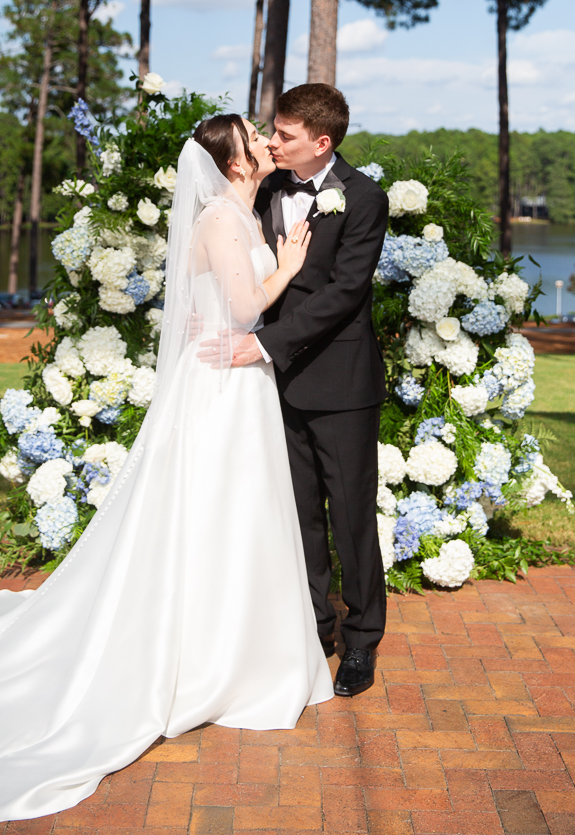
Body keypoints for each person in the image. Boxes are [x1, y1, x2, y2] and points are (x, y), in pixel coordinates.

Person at [0, 116, 333, 825]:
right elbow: (240, 308)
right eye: (252, 134)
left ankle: (242, 648)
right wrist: (289, 268)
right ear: (234, 161)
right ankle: (212, 658)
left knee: (240, 517)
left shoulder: (242, 210)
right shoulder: (217, 220)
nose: (266, 139)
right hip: (222, 387)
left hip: (238, 382)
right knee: (219, 514)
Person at [200, 85, 389, 698]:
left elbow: (345, 293)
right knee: (300, 514)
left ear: (321, 142)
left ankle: (362, 642)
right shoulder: (269, 187)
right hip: (275, 385)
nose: (272, 141)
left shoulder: (363, 199)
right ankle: (315, 626)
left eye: (283, 134)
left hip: (341, 382)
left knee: (352, 516)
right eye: (271, 133)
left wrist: (263, 346)